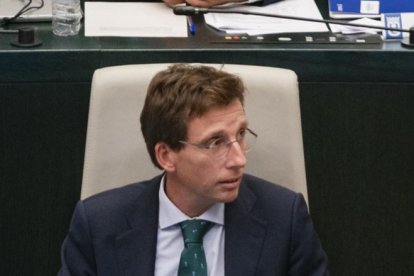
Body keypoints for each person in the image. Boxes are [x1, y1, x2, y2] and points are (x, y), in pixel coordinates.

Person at [59, 64, 329, 275]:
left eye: (241, 134)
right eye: (215, 142)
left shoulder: (285, 219)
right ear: (166, 156)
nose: (239, 159)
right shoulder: (98, 225)